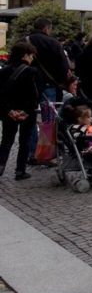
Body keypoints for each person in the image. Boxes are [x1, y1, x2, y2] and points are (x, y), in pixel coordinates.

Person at [0, 42, 41, 180]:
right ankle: (20, 170)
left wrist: (9, 111)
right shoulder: (31, 72)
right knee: (25, 140)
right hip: (26, 112)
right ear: (25, 55)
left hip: (9, 112)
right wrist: (27, 112)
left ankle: (0, 166)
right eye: (31, 55)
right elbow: (34, 95)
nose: (32, 58)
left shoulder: (4, 71)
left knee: (6, 140)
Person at [28, 18, 70, 101]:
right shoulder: (53, 42)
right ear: (46, 28)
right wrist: (61, 81)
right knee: (48, 111)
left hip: (27, 85)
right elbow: (64, 65)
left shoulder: (23, 41)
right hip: (49, 84)